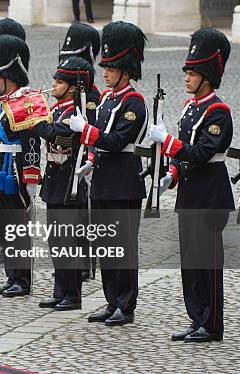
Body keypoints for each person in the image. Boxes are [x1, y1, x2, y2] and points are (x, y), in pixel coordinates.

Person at [150, 28, 233, 342]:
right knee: (190, 263)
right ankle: (196, 318)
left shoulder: (218, 112)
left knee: (208, 265)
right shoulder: (190, 107)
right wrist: (171, 174)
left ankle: (212, 325)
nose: (186, 77)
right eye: (187, 71)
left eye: (193, 72)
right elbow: (183, 154)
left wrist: (167, 142)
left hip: (210, 197)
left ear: (208, 77)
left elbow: (200, 153)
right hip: (189, 194)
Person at [69, 21, 148, 326]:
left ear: (125, 71)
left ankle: (125, 304)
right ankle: (111, 298)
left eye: (111, 68)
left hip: (124, 181)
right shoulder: (106, 99)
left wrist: (86, 131)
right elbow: (100, 138)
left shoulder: (134, 103)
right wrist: (89, 157)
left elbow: (117, 141)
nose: (105, 72)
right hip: (102, 179)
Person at [0, 34, 49, 297]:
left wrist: (31, 177)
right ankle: (12, 275)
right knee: (4, 221)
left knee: (18, 224)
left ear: (9, 76)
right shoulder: (6, 102)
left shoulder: (26, 101)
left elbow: (32, 140)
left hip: (15, 169)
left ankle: (22, 279)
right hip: (1, 164)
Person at [33, 57, 94, 311]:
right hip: (55, 177)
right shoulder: (58, 108)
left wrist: (35, 121)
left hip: (70, 178)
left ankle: (72, 294)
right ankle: (61, 290)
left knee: (68, 241)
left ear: (71, 87)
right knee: (56, 241)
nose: (53, 85)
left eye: (58, 82)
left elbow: (58, 134)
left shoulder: (76, 111)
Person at [58, 22, 101, 280]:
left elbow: (92, 127)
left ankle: (85, 260)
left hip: (85, 156)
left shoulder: (91, 95)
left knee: (83, 212)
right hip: (68, 158)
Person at [0, 18, 27, 264]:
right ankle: (2, 244)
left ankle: (13, 250)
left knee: (13, 203)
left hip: (11, 152)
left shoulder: (15, 87)